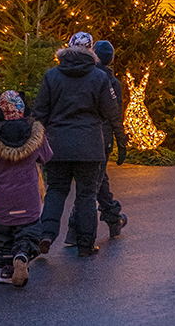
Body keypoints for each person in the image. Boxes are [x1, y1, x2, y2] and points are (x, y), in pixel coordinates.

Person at [33, 32, 118, 257]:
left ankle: (46, 234)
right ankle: (85, 245)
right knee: (86, 196)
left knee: (56, 190)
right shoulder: (99, 77)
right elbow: (110, 111)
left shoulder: (52, 76)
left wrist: (38, 139)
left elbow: (40, 110)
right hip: (89, 145)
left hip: (57, 145)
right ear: (91, 51)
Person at [0, 91, 52, 287]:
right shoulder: (35, 133)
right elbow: (47, 156)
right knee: (28, 231)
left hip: (3, 201)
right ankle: (23, 254)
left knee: (4, 236)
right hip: (29, 198)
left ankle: (6, 271)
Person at [64, 40, 127, 245]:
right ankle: (99, 221)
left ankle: (107, 218)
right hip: (102, 138)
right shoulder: (110, 81)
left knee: (93, 182)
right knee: (93, 183)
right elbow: (116, 115)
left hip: (90, 136)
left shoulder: (88, 76)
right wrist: (120, 140)